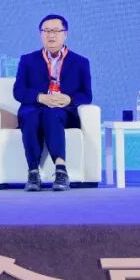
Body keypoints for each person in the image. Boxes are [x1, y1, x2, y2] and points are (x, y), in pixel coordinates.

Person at [13, 14, 92, 192]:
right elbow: (18, 91)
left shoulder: (80, 62)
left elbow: (86, 94)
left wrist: (70, 99)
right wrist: (40, 97)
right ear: (40, 34)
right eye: (47, 31)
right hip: (34, 107)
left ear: (65, 34)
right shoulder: (28, 60)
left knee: (52, 114)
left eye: (56, 31)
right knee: (30, 116)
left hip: (63, 110)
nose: (51, 35)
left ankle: (61, 170)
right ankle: (33, 172)